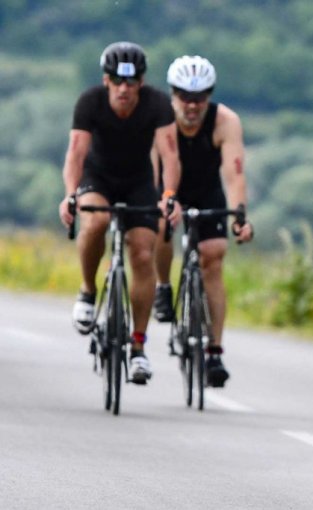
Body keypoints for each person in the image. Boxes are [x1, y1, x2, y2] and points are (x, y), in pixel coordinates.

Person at [58, 41, 181, 384]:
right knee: (95, 220)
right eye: (116, 81)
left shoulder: (157, 104)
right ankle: (87, 290)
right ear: (106, 80)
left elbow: (170, 156)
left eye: (131, 82)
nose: (123, 89)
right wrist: (70, 195)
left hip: (138, 181)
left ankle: (138, 346)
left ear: (141, 82)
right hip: (98, 177)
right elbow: (75, 154)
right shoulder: (90, 102)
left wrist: (169, 195)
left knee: (142, 252)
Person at [152, 55, 253, 388]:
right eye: (185, 96)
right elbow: (152, 169)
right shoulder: (160, 118)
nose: (192, 105)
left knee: (214, 256)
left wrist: (239, 217)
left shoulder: (225, 121)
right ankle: (163, 287)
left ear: (209, 95)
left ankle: (214, 351)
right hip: (169, 189)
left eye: (200, 97)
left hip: (207, 192)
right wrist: (161, 201)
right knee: (160, 227)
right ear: (173, 94)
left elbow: (234, 174)